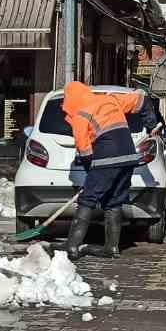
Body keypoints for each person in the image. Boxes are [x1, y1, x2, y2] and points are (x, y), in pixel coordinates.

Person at [60, 82, 147, 260]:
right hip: (129, 156)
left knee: (87, 199)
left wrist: (89, 168)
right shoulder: (110, 100)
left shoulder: (81, 114)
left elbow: (84, 147)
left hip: (107, 157)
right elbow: (139, 99)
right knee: (114, 201)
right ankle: (111, 247)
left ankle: (72, 246)